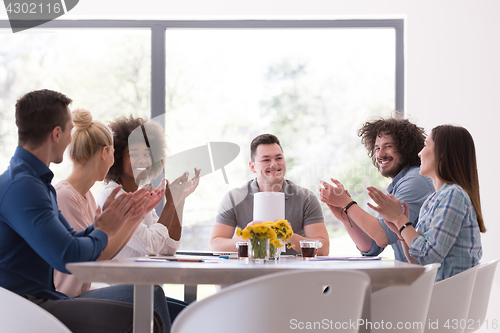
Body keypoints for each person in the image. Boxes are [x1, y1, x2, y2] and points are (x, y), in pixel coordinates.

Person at [0, 89, 164, 333]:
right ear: (57, 134)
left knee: (151, 315)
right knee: (138, 321)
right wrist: (104, 228)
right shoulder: (24, 186)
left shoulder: (35, 182)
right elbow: (68, 257)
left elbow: (72, 241)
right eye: (69, 130)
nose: (70, 140)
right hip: (26, 307)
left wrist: (115, 221)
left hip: (43, 299)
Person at [52, 108, 172, 332]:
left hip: (83, 290)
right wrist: (134, 215)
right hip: (66, 297)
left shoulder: (86, 196)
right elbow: (93, 258)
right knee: (152, 294)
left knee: (165, 306)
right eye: (117, 153)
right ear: (105, 153)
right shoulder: (65, 196)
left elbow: (101, 249)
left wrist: (136, 214)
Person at [96, 115, 200, 320]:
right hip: (121, 291)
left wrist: (179, 201)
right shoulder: (114, 195)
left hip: (144, 289)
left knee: (193, 314)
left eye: (147, 154)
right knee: (184, 315)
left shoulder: (140, 194)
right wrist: (170, 203)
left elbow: (167, 247)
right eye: (133, 154)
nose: (142, 160)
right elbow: (151, 245)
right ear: (117, 158)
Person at [367, 125, 485, 281]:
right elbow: (417, 261)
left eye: (426, 146)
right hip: (436, 293)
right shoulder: (433, 199)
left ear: (442, 154)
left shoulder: (453, 195)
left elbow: (430, 258)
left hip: (442, 297)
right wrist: (400, 232)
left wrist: (400, 220)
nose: (419, 153)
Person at [319, 117, 434, 262]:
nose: (380, 155)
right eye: (377, 148)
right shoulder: (398, 185)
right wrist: (346, 216)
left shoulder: (415, 180)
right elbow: (372, 246)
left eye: (388, 146)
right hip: (408, 276)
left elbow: (382, 236)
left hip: (421, 279)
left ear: (406, 148)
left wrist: (347, 203)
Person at [209, 133, 330, 255]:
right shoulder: (234, 198)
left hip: (294, 272)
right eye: (266, 160)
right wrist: (247, 238)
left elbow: (323, 249)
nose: (274, 164)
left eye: (278, 158)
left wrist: (289, 236)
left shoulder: (306, 198)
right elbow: (215, 246)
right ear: (252, 167)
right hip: (251, 271)